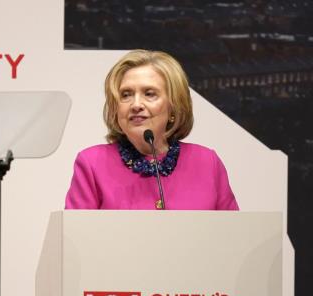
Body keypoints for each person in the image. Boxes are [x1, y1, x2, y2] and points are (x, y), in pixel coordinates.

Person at [65, 50, 239, 210]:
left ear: (174, 106)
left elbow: (234, 235)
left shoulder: (208, 162)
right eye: (126, 95)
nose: (136, 105)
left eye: (149, 94)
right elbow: (74, 238)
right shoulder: (91, 163)